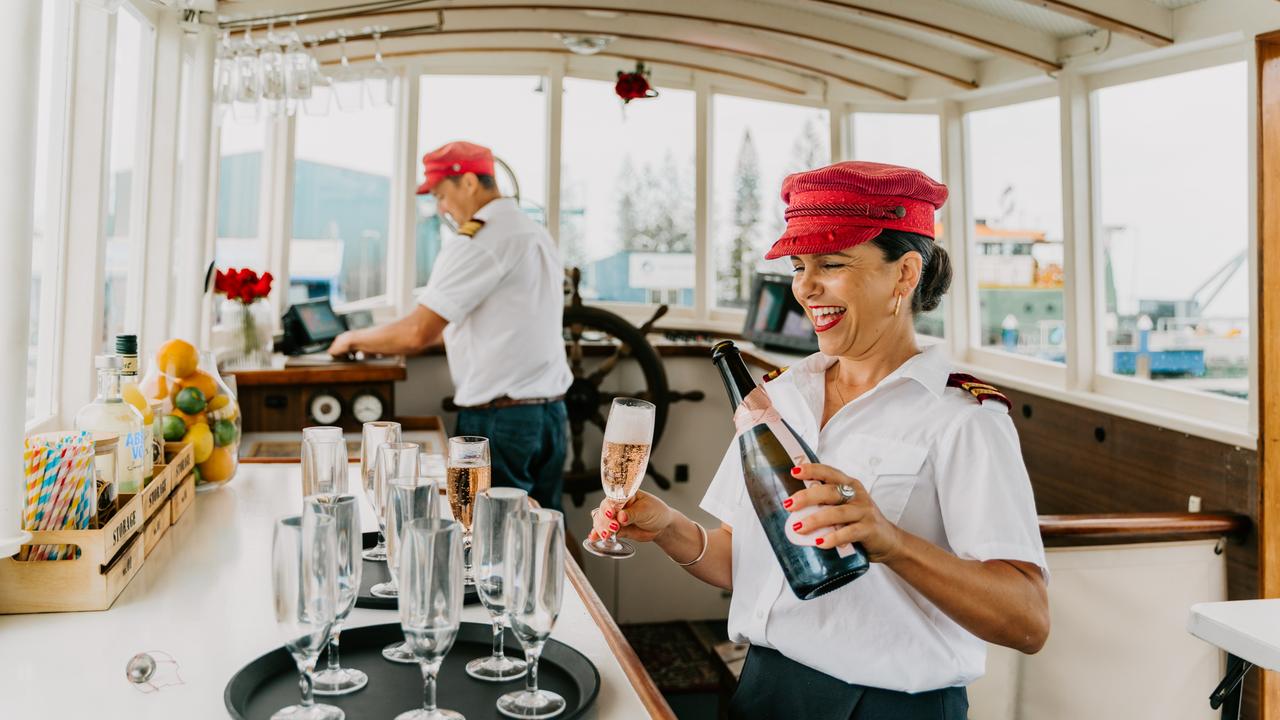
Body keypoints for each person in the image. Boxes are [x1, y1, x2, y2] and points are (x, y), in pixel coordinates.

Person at [589, 161, 1049, 719]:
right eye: (799, 265)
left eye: (831, 264)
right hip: (763, 686)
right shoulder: (779, 400)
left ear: (905, 274)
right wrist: (669, 530)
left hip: (887, 707)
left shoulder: (964, 419)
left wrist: (891, 542)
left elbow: (1027, 621)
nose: (806, 287)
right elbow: (745, 561)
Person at [329, 141, 572, 510]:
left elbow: (417, 332)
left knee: (494, 537)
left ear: (470, 183)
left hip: (502, 420)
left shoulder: (481, 239)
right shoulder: (532, 231)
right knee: (549, 528)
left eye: (442, 194)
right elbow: (498, 326)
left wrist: (352, 338)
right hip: (552, 414)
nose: (441, 207)